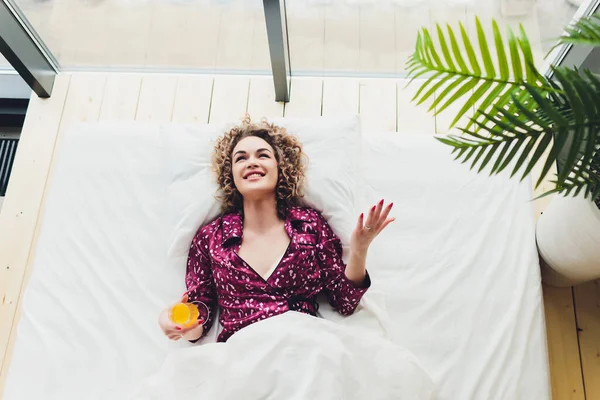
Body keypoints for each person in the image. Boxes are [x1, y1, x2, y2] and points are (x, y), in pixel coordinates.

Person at [158, 117, 395, 343]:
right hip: (242, 356)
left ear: (280, 168)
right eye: (241, 158)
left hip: (306, 349)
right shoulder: (210, 238)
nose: (252, 162)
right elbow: (201, 317)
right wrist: (178, 326)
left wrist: (359, 250)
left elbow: (344, 301)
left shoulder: (310, 225)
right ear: (230, 174)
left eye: (263, 155)